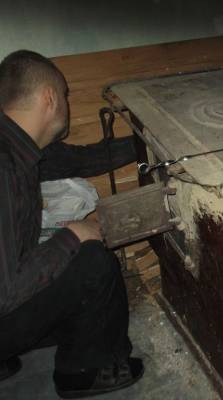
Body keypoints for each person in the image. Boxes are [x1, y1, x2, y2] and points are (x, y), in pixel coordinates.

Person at [0, 50, 144, 398]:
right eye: (65, 95)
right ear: (49, 98)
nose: (66, 102)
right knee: (93, 260)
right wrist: (73, 235)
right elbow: (5, 292)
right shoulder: (4, 168)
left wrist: (147, 142)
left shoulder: (17, 145)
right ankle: (82, 371)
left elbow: (84, 159)